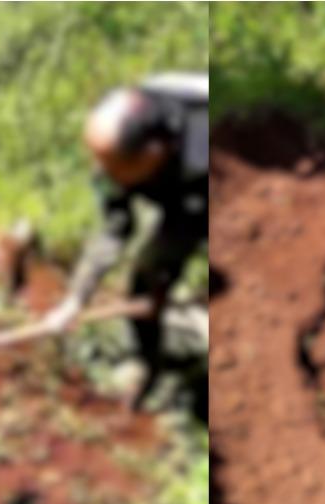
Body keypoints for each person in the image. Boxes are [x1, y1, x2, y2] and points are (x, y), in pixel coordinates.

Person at [45, 72, 208, 410]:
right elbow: (113, 230)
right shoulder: (118, 160)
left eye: (115, 166)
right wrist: (76, 299)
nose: (105, 174)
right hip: (183, 194)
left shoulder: (205, 142)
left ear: (153, 153)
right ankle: (147, 363)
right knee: (148, 274)